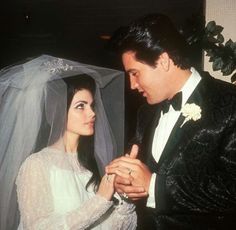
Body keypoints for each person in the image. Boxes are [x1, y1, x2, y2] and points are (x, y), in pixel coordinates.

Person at [106, 13, 236, 229]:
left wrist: (155, 186)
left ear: (163, 61)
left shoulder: (230, 103)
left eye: (135, 73)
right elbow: (140, 177)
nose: (132, 85)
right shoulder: (144, 114)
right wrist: (127, 184)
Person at [0, 55, 137, 230]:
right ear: (58, 110)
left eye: (91, 105)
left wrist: (125, 195)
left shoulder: (92, 166)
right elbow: (38, 227)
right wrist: (100, 201)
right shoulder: (37, 164)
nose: (92, 113)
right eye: (81, 106)